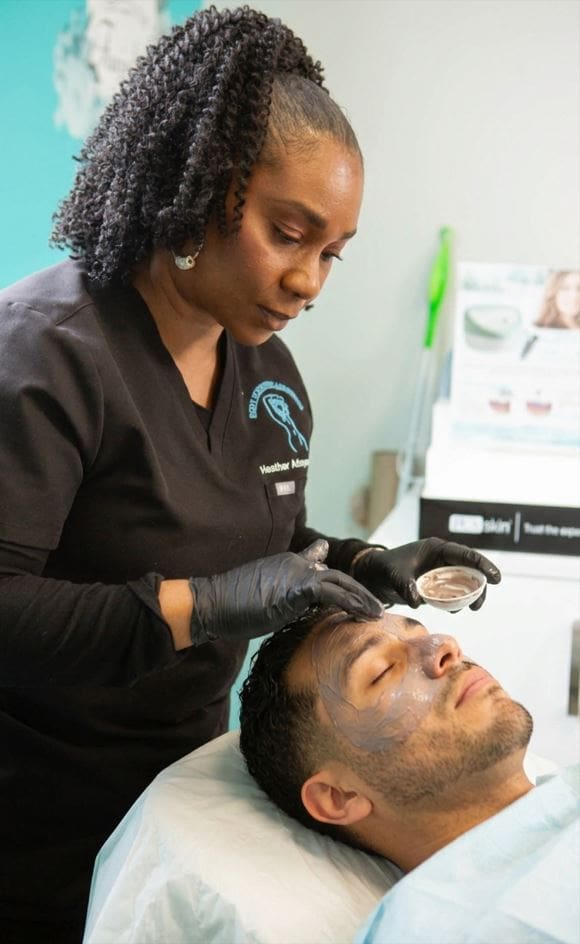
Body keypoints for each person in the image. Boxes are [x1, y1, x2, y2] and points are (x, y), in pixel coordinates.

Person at [0, 7, 501, 942]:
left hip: (180, 784)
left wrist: (359, 560)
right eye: (288, 233)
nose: (309, 280)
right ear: (197, 192)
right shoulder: (47, 356)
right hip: (32, 812)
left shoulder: (265, 371)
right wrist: (208, 602)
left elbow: (269, 542)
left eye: (332, 254)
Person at [239, 607, 580, 944]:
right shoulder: (437, 929)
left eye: (424, 634)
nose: (446, 645)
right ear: (339, 797)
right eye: (382, 671)